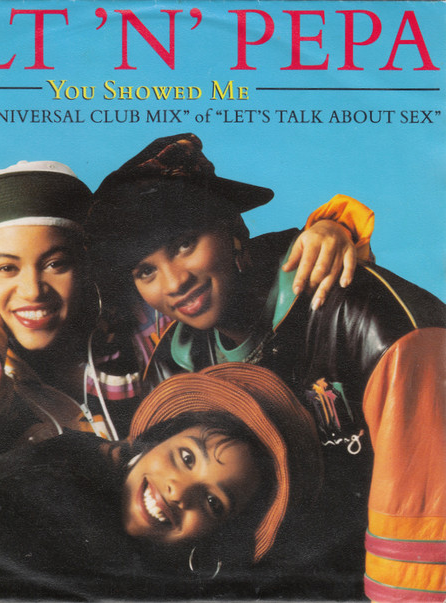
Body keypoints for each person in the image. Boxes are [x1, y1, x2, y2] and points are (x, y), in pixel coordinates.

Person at [0, 156, 373, 502]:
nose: (32, 291)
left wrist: (330, 228)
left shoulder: (149, 336)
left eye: (56, 263)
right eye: (7, 268)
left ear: (89, 267)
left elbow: (233, 269)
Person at [85, 133, 446, 601]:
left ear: (234, 231)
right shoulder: (172, 371)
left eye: (184, 244)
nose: (174, 283)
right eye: (145, 271)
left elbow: (419, 549)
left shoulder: (368, 322)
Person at [0, 364, 322, 601]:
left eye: (214, 503)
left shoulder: (166, 578)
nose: (180, 491)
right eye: (185, 457)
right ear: (154, 440)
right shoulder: (55, 475)